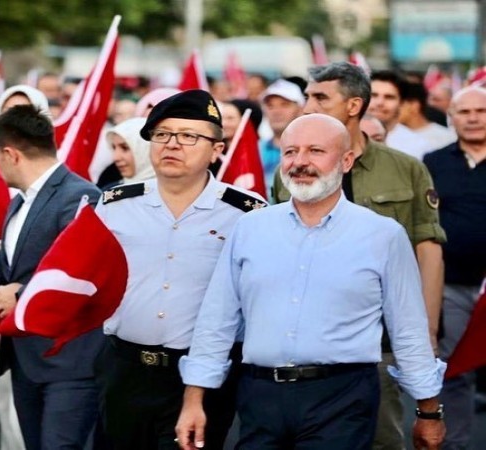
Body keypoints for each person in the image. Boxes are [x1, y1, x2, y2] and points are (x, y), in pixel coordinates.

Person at [176, 114, 446, 450]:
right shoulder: (250, 228)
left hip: (343, 399)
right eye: (290, 152)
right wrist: (194, 399)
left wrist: (428, 410)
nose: (300, 162)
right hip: (259, 396)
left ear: (346, 160)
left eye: (316, 151)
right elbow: (217, 319)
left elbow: (408, 329)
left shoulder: (383, 235)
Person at [272, 62, 446, 450]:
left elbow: (428, 250)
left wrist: (427, 333)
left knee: (380, 439)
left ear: (353, 105)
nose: (308, 106)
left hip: (378, 338)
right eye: (307, 97)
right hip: (304, 340)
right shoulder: (292, 169)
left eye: (320, 97)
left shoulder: (405, 169)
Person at [96, 90, 266, 450]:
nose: (172, 144)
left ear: (217, 150)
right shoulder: (115, 204)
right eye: (162, 134)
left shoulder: (246, 213)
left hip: (202, 374)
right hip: (125, 368)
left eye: (189, 136)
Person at [0, 104, 102, 450]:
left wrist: (22, 294)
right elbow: (3, 263)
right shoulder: (21, 201)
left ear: (11, 155)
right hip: (25, 357)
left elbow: (82, 271)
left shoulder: (81, 197)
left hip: (67, 360)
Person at [423, 86, 486, 449]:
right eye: (464, 112)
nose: (473, 118)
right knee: (454, 369)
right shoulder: (433, 162)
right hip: (451, 285)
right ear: (451, 118)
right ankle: (455, 444)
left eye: (481, 110)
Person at [369, 70, 430, 159]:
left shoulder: (418, 146)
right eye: (374, 95)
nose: (380, 103)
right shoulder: (348, 137)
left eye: (389, 97)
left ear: (402, 103)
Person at [258, 79, 304, 194]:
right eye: (270, 106)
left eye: (284, 105)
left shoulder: (312, 150)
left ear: (300, 109)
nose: (276, 111)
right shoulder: (255, 149)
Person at [400, 81, 456, 155]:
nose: (392, 108)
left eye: (400, 104)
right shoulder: (390, 136)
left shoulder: (446, 138)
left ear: (414, 105)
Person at [104, 116, 154, 187]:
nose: (116, 158)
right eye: (114, 148)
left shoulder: (168, 191)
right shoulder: (111, 191)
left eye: (125, 148)